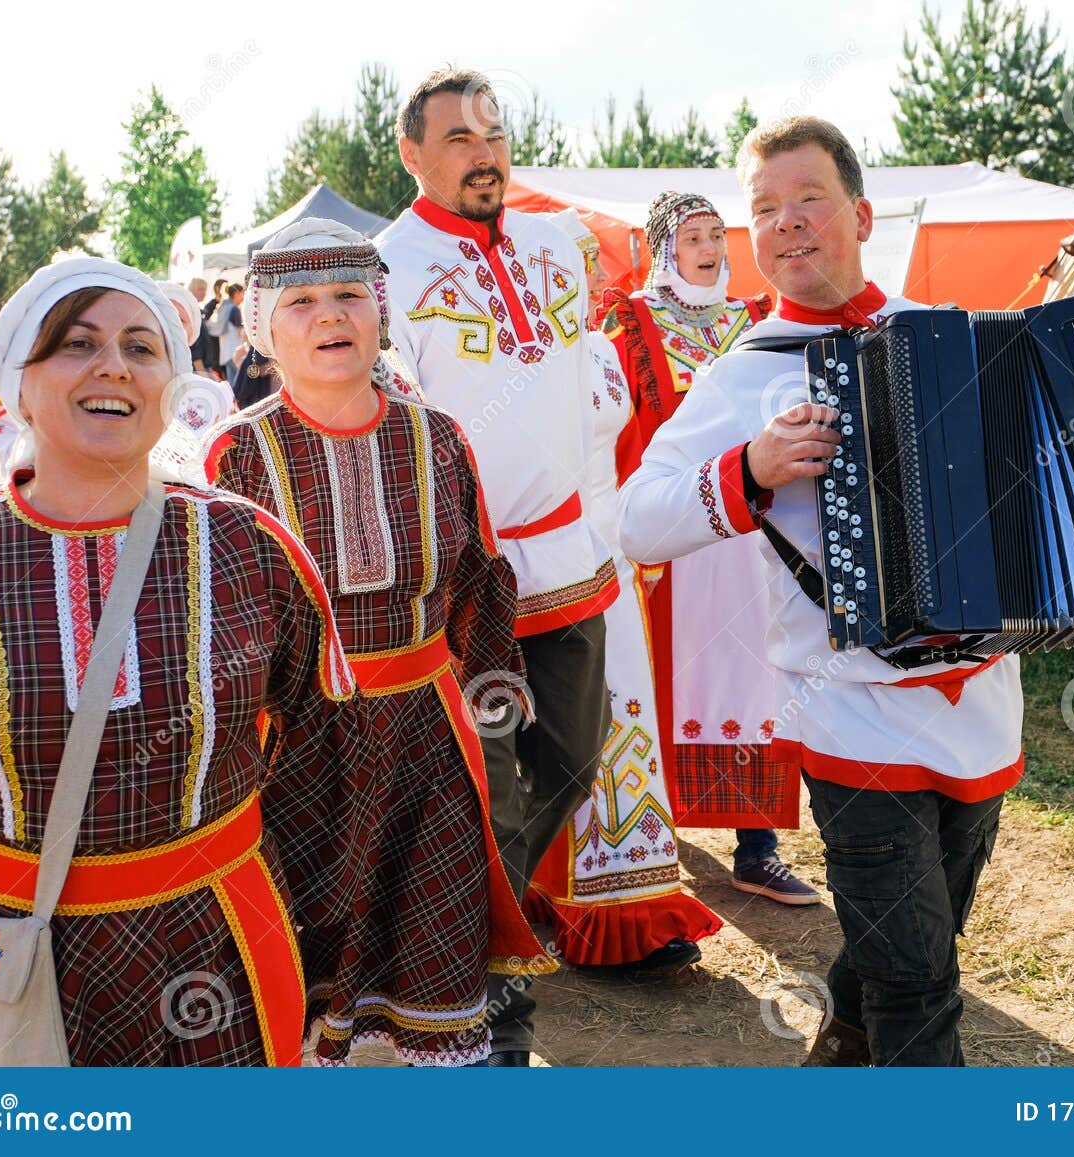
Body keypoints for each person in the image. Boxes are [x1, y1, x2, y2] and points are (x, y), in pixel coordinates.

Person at [617, 116, 1074, 1067]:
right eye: (766, 210)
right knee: (919, 984)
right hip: (848, 715)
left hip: (982, 700)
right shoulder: (737, 375)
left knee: (921, 934)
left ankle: (839, 1052)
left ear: (863, 214)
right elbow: (637, 521)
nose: (788, 224)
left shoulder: (958, 335)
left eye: (810, 201)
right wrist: (749, 468)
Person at [0, 257, 357, 1067]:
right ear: (19, 378)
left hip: (217, 956)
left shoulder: (249, 546)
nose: (112, 364)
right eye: (76, 343)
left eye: (139, 347)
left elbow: (327, 770)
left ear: (174, 381)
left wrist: (320, 965)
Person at [198, 218, 554, 1067]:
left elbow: (480, 581)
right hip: (295, 748)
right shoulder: (233, 455)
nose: (332, 316)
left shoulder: (439, 437)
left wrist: (492, 708)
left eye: (351, 295)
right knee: (307, 952)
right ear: (262, 327)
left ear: (381, 312)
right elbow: (209, 624)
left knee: (433, 931)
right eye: (304, 302)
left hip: (429, 737)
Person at [377, 67, 616, 1065]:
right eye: (460, 137)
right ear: (413, 154)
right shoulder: (385, 264)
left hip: (569, 558)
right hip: (466, 577)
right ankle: (486, 1012)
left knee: (571, 755)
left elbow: (585, 377)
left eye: (494, 131)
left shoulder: (561, 241)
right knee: (492, 791)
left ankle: (456, 930)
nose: (485, 152)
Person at [520, 209, 722, 971]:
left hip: (617, 557)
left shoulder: (606, 350)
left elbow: (636, 448)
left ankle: (633, 893)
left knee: (625, 717)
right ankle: (576, 899)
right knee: (572, 730)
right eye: (566, 267)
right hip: (549, 559)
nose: (584, 277)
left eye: (590, 265)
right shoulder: (521, 361)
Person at [602, 190, 817, 906]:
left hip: (754, 535)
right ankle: (654, 835)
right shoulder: (631, 322)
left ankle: (756, 848)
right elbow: (617, 431)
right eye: (693, 236)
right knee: (663, 682)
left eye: (715, 234)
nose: (710, 247)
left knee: (756, 685)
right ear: (665, 249)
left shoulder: (756, 320)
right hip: (675, 538)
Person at [187, 277, 217, 375]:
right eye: (200, 289)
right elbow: (194, 343)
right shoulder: (190, 311)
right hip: (197, 367)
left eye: (204, 289)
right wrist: (202, 371)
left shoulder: (196, 310)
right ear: (191, 290)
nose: (203, 292)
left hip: (203, 366)